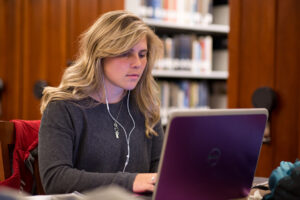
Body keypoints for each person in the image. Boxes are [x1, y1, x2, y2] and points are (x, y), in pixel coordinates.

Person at [38, 10, 164, 195]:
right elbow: (56, 179)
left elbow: (160, 172)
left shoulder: (146, 106)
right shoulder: (63, 107)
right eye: (126, 53)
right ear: (100, 55)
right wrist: (131, 181)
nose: (137, 63)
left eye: (142, 54)